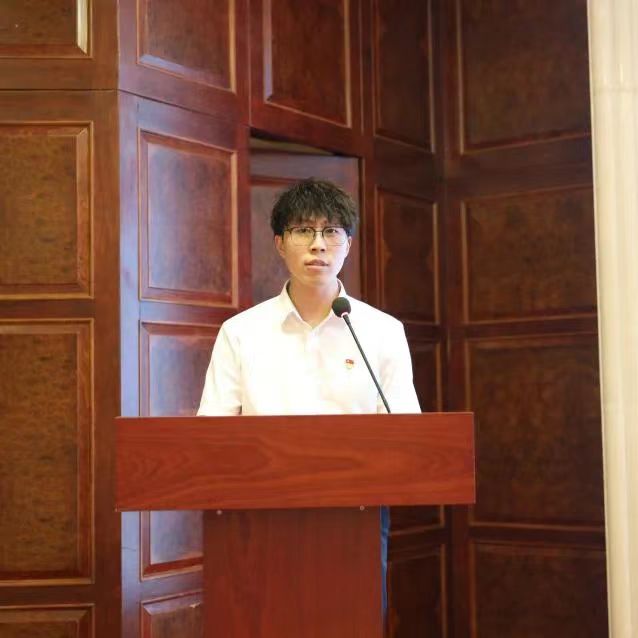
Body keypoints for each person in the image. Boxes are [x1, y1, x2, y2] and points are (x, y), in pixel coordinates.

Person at [198, 177, 421, 615]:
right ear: (280, 244)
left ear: (348, 244)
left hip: (355, 513)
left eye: (331, 231)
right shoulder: (241, 332)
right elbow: (212, 434)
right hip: (261, 514)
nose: (318, 244)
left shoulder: (382, 331)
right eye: (303, 230)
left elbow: (407, 433)